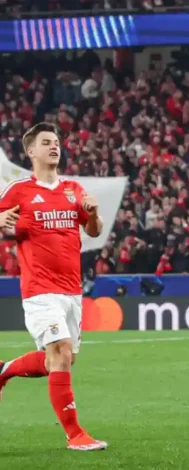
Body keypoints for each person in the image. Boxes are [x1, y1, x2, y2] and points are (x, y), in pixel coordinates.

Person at [0, 122, 107, 451]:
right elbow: (3, 223)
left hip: (71, 291)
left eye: (56, 142)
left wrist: (93, 213)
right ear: (31, 151)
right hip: (39, 290)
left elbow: (93, 231)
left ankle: (4, 370)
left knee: (59, 360)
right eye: (46, 142)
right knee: (60, 351)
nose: (54, 146)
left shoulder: (73, 189)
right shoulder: (18, 191)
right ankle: (76, 435)